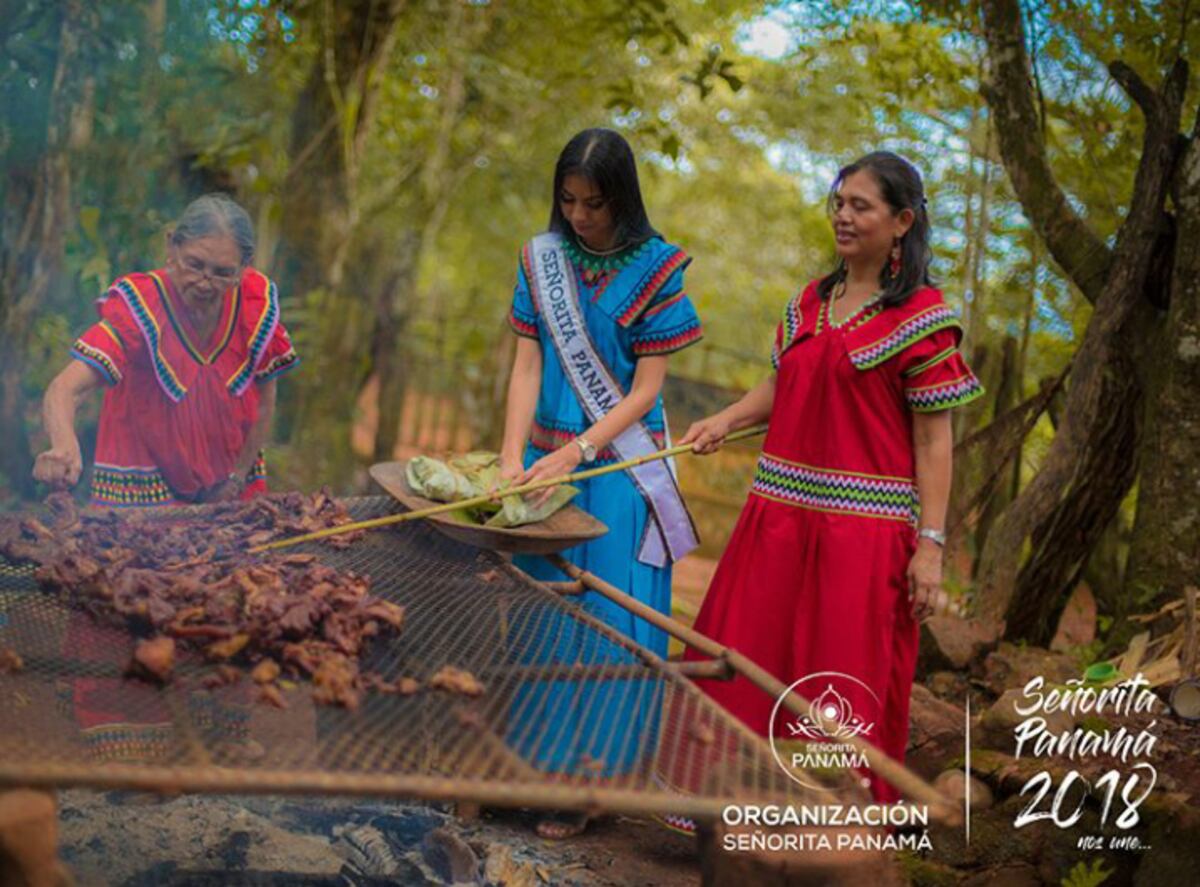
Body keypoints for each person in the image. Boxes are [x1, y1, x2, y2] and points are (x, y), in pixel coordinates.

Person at [679, 151, 983, 807]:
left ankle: (824, 832)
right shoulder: (810, 303)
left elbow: (935, 438)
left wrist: (930, 542)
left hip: (861, 540)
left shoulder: (922, 319)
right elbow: (782, 382)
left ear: (902, 220)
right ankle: (727, 813)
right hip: (777, 521)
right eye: (838, 202)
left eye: (861, 206)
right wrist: (724, 420)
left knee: (835, 687)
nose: (843, 216)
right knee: (748, 665)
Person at [499, 128, 704, 838]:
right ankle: (526, 769)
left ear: (623, 197)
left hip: (620, 465)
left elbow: (647, 390)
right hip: (543, 457)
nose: (579, 216)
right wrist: (507, 459)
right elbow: (527, 366)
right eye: (568, 200)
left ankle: (589, 784)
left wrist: (580, 450)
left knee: (605, 622)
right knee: (538, 617)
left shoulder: (657, 268)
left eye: (594, 202)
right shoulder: (540, 258)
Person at [33, 193, 297, 504]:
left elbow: (265, 402)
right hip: (142, 480)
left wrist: (238, 476)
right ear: (172, 247)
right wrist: (64, 445)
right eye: (194, 264)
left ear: (242, 269)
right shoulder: (142, 307)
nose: (205, 282)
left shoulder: (254, 308)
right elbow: (65, 388)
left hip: (229, 481)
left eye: (223, 272)